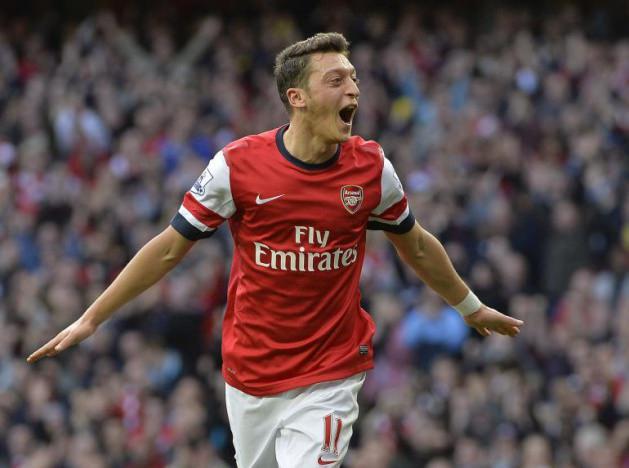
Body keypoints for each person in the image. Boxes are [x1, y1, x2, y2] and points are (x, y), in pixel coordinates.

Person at [27, 32, 523, 468]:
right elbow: (167, 250)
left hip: (331, 371)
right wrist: (92, 318)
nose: (353, 90)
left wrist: (469, 306)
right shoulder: (237, 167)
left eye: (354, 79)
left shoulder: (371, 169)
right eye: (336, 81)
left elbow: (415, 244)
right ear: (297, 98)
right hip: (251, 374)